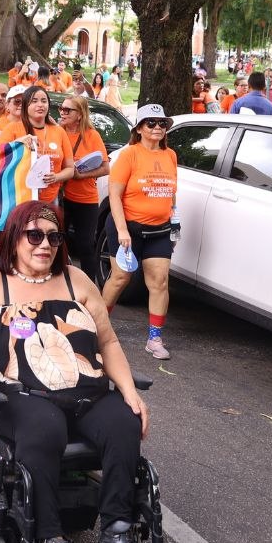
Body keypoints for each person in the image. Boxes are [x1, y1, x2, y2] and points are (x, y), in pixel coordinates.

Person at [0, 201, 158, 543]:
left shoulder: (78, 280)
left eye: (53, 236)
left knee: (124, 422)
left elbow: (108, 342)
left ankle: (115, 539)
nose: (44, 244)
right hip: (20, 397)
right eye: (34, 236)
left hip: (85, 392)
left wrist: (129, 392)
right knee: (45, 427)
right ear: (14, 239)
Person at [102, 104, 177, 361]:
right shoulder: (129, 155)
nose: (157, 128)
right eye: (151, 123)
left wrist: (174, 220)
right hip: (128, 228)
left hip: (159, 229)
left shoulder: (170, 156)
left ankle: (154, 338)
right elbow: (114, 194)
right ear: (139, 128)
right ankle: (98, 328)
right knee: (121, 278)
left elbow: (171, 192)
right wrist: (122, 230)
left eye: (162, 123)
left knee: (159, 282)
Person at [58, 95, 110, 284]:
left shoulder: (91, 135)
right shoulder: (58, 131)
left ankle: (89, 286)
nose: (62, 113)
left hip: (85, 198)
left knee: (85, 244)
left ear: (80, 114)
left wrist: (80, 175)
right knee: (57, 241)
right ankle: (60, 282)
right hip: (61, 196)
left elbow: (106, 168)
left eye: (67, 110)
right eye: (61, 109)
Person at [0, 86, 75, 205]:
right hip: (18, 200)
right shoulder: (12, 129)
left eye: (44, 101)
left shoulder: (59, 131)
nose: (40, 105)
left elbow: (70, 169)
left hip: (50, 201)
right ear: (25, 106)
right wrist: (18, 143)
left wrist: (56, 177)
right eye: (34, 101)